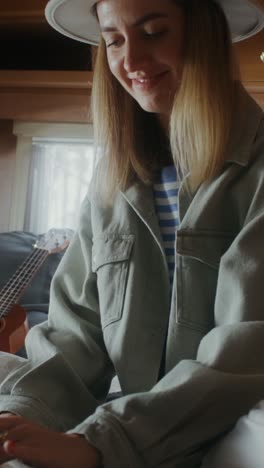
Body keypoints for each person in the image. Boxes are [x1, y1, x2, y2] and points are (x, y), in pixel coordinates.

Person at [0, 0, 264, 467]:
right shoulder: (112, 182)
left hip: (232, 433)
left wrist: (100, 444)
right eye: (115, 40)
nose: (132, 62)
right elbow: (73, 333)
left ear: (204, 35)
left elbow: (246, 351)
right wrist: (16, 419)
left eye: (155, 31)